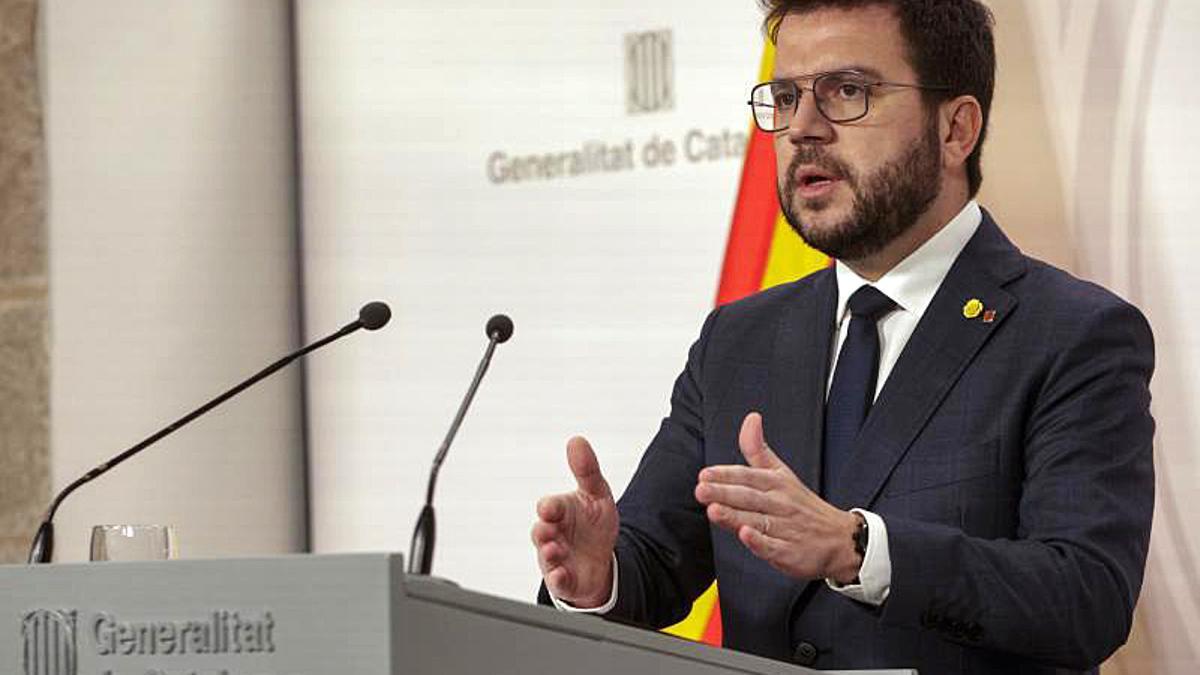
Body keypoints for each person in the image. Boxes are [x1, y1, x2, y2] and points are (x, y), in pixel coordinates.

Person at [530, 1, 1155, 672]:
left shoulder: (1073, 334)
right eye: (787, 96)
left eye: (847, 92)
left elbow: (1086, 594)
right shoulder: (738, 340)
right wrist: (599, 579)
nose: (802, 128)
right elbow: (653, 560)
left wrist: (862, 548)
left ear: (956, 129)